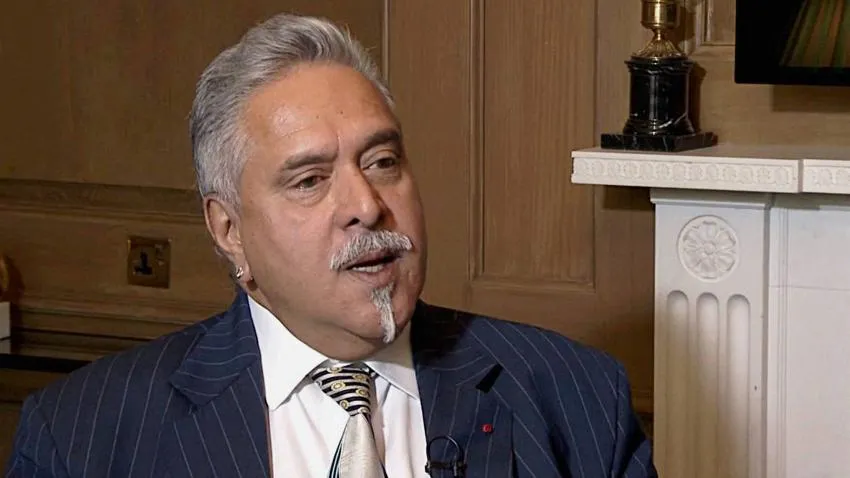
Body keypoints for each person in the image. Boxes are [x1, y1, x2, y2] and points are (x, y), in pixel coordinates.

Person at [4, 13, 657, 478]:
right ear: (229, 230)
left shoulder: (573, 397)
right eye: (310, 180)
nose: (366, 206)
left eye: (382, 162)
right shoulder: (84, 435)